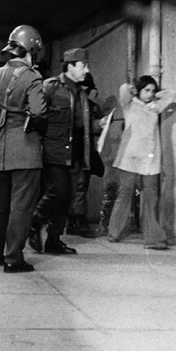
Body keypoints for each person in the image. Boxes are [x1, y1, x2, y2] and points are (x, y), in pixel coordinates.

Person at [0, 25, 47, 273]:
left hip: (0, 150)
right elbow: (38, 113)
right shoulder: (32, 77)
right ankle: (13, 258)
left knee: (0, 206)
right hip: (26, 152)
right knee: (21, 206)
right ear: (30, 51)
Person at [29, 49, 106, 256]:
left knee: (68, 196)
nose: (86, 70)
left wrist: (98, 125)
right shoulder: (51, 86)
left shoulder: (81, 92)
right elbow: (35, 113)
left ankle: (54, 240)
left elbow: (82, 124)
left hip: (76, 152)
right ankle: (35, 222)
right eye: (83, 65)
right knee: (59, 192)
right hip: (54, 150)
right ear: (70, 66)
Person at [107, 75, 176, 249]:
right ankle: (114, 232)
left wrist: (158, 94)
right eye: (147, 90)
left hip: (150, 159)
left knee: (151, 197)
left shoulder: (155, 107)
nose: (150, 94)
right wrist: (133, 90)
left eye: (152, 91)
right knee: (125, 194)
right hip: (130, 157)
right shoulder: (129, 105)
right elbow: (123, 90)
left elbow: (172, 96)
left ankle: (154, 239)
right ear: (139, 91)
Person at [65, 72, 102, 238]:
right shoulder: (70, 102)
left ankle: (75, 219)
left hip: (84, 151)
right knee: (74, 187)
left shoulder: (92, 106)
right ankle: (74, 219)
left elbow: (92, 128)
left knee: (81, 186)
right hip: (71, 150)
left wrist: (100, 125)